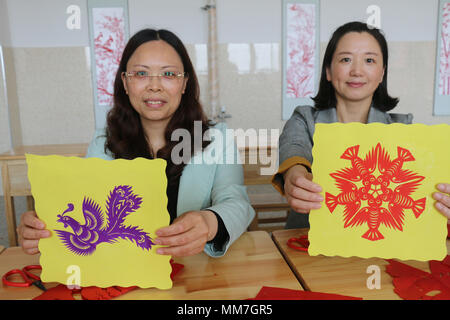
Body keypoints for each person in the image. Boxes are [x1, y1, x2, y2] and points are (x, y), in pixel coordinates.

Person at [18, 28, 255, 257]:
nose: (154, 85)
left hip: (198, 273)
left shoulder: (216, 139)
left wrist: (209, 222)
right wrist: (44, 227)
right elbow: (85, 210)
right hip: (128, 276)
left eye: (168, 74)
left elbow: (236, 203)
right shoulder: (103, 142)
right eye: (141, 74)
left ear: (184, 83)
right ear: (124, 81)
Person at [272, 21, 450, 228]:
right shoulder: (304, 120)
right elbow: (294, 150)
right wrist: (295, 175)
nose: (357, 71)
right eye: (346, 59)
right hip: (307, 241)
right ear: (328, 71)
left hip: (382, 247)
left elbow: (423, 191)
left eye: (369, 60)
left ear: (382, 73)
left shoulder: (404, 128)